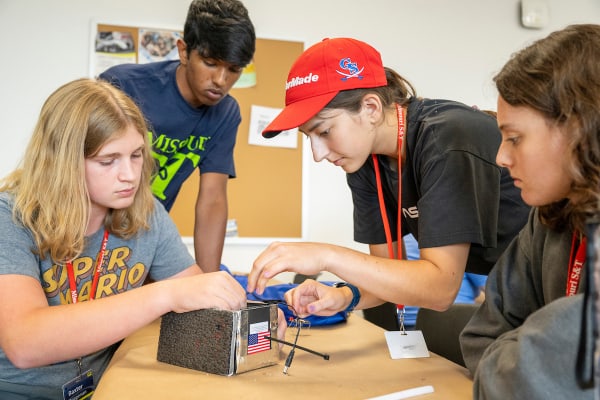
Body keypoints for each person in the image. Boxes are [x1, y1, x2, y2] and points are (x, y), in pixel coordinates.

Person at [0, 78, 276, 399]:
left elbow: (203, 300)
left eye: (136, 155)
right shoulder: (10, 217)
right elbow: (25, 344)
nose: (130, 175)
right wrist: (165, 295)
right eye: (108, 161)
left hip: (109, 386)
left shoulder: (147, 212)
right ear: (63, 162)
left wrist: (260, 321)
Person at [246, 37, 530, 325]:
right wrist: (345, 296)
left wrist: (326, 255)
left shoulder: (445, 140)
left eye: (324, 131)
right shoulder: (364, 162)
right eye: (309, 137)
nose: (317, 154)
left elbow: (440, 289)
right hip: (513, 288)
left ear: (371, 108)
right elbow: (390, 273)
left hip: (552, 286)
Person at [458, 24, 599, 398]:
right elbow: (480, 336)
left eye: (515, 138)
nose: (501, 157)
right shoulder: (548, 215)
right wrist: (539, 351)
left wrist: (529, 351)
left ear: (580, 131)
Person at [99, 0, 256, 272]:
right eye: (210, 63)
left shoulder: (226, 113)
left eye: (234, 70)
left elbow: (213, 199)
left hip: (143, 236)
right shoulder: (122, 87)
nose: (221, 80)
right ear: (184, 51)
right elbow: (78, 168)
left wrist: (208, 284)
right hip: (90, 233)